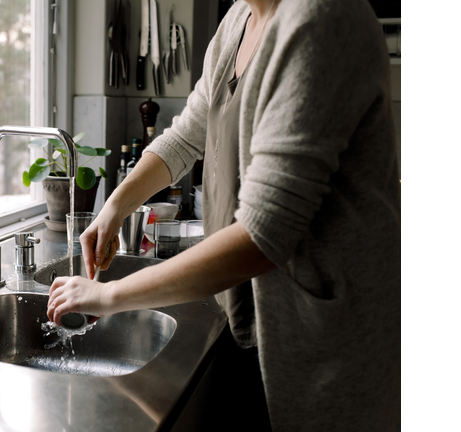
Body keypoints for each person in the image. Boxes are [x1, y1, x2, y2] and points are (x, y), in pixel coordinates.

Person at [47, 0, 400, 430]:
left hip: (322, 342)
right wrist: (117, 204)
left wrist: (108, 296)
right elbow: (185, 137)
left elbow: (263, 234)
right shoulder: (239, 19)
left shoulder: (323, 18)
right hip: (246, 325)